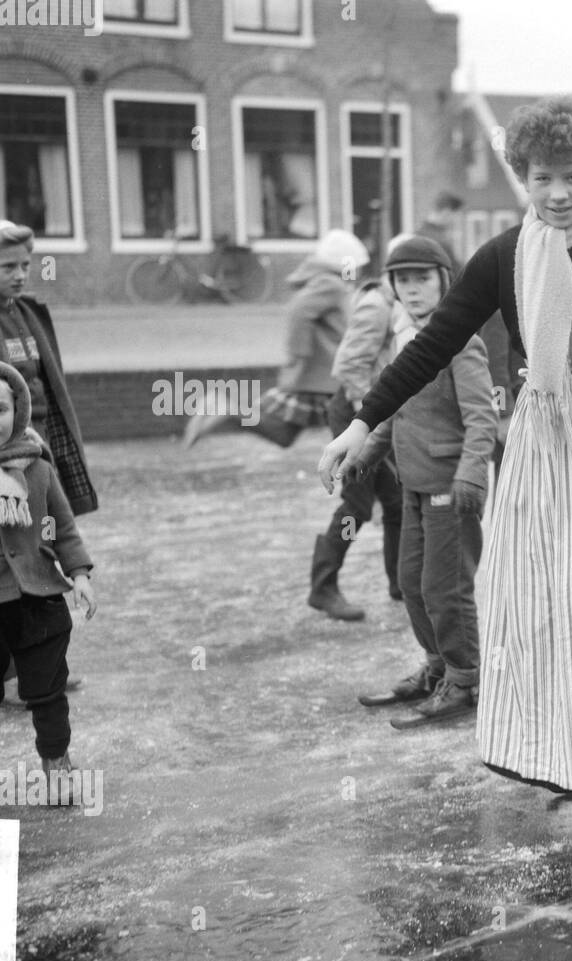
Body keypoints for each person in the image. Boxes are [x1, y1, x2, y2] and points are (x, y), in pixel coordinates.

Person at [317, 95, 572, 848]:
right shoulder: (504, 256)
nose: (557, 193)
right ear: (522, 178)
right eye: (540, 178)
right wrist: (363, 423)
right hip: (546, 435)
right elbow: (430, 347)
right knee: (550, 595)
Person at [350, 235, 497, 727]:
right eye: (402, 281)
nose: (412, 291)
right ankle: (437, 667)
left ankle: (464, 677)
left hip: (450, 488)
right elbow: (395, 406)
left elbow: (482, 418)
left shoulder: (462, 342)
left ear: (445, 280)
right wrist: (367, 451)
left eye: (422, 279)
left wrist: (472, 476)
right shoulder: (406, 340)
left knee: (445, 587)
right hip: (411, 481)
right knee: (412, 583)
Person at [0, 220, 97, 705]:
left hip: (38, 445)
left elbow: (45, 380)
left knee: (43, 544)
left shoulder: (27, 312)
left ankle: (40, 671)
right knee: (13, 555)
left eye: (24, 265)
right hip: (3, 457)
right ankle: (18, 679)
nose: (20, 275)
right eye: (7, 267)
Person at [184, 228, 371, 453]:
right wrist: (298, 353)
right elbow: (299, 312)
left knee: (283, 434)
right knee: (354, 424)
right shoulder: (332, 285)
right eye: (356, 266)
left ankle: (227, 411)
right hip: (324, 376)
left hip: (318, 375)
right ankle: (357, 478)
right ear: (345, 263)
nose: (359, 271)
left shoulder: (330, 283)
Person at [311, 233, 413, 622]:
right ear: (391, 272)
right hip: (356, 415)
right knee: (356, 507)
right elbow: (348, 367)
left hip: (372, 415)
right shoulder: (377, 306)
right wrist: (366, 421)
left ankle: (399, 583)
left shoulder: (394, 303)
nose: (413, 284)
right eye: (405, 275)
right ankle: (323, 588)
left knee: (395, 501)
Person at [0, 364, 96, 773]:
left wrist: (79, 575)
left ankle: (56, 762)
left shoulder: (37, 467)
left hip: (37, 600)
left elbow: (62, 526)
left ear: (18, 411)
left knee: (47, 691)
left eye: (1, 409)